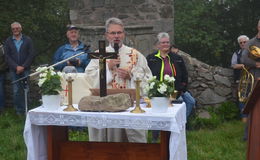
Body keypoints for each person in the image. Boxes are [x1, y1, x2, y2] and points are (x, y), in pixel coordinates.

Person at [85, 17, 152, 142]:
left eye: (119, 32)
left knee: (132, 145)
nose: (116, 36)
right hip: (106, 105)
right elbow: (89, 77)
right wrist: (106, 68)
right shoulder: (99, 54)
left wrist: (131, 76)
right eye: (113, 33)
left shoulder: (136, 55)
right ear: (106, 35)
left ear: (124, 34)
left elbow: (148, 79)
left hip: (130, 106)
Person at [146, 32, 195, 142]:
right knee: (157, 114)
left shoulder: (177, 58)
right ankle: (155, 136)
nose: (166, 44)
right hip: (157, 93)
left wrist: (182, 89)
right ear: (158, 45)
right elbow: (146, 74)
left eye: (167, 42)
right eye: (163, 42)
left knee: (190, 102)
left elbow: (184, 74)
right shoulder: (151, 58)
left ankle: (177, 127)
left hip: (175, 91)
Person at [4, 22, 35, 115]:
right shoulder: (8, 41)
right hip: (14, 70)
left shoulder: (28, 40)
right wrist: (16, 67)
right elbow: (7, 56)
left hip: (25, 69)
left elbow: (31, 54)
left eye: (17, 28)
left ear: (21, 29)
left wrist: (23, 66)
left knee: (26, 89)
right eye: (13, 29)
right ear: (12, 30)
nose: (15, 30)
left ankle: (27, 110)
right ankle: (19, 111)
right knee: (16, 90)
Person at [241, 20, 260, 141]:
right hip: (255, 77)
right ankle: (248, 136)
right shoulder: (251, 42)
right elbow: (243, 58)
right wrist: (256, 64)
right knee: (252, 106)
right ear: (258, 27)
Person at [231, 35, 249, 122]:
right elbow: (233, 65)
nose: (242, 44)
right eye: (241, 42)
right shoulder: (236, 53)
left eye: (244, 42)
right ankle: (244, 119)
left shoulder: (253, 51)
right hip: (240, 80)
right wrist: (243, 65)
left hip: (253, 79)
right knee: (242, 99)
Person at [0, 42, 7, 114]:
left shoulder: (3, 48)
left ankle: (1, 109)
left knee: (0, 91)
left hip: (0, 72)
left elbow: (6, 61)